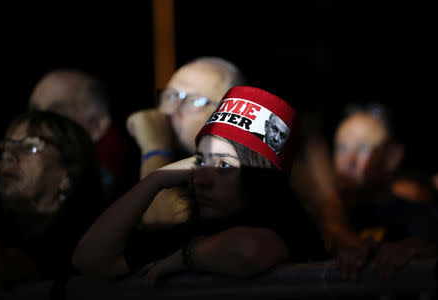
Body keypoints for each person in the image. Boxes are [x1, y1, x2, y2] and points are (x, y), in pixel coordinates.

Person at [72, 86, 328, 289]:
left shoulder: (289, 232)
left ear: (261, 182)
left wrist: (187, 258)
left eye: (224, 166)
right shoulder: (188, 234)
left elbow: (248, 250)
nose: (201, 179)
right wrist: (157, 179)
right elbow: (89, 259)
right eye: (199, 162)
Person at [0, 110, 104, 290]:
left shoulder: (89, 246)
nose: (7, 155)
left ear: (68, 173)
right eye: (5, 147)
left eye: (29, 147)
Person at [322, 103, 437, 280]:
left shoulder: (420, 217)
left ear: (392, 157)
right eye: (342, 148)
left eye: (362, 149)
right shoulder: (328, 212)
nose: (349, 160)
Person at [126, 56, 247, 224]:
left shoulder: (235, 171)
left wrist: (154, 147)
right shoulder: (131, 158)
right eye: (171, 96)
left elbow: (159, 220)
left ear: (229, 114)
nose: (172, 111)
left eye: (194, 101)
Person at [28, 68, 135, 202]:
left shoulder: (124, 198)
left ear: (97, 125)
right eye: (34, 113)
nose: (38, 124)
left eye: (55, 115)